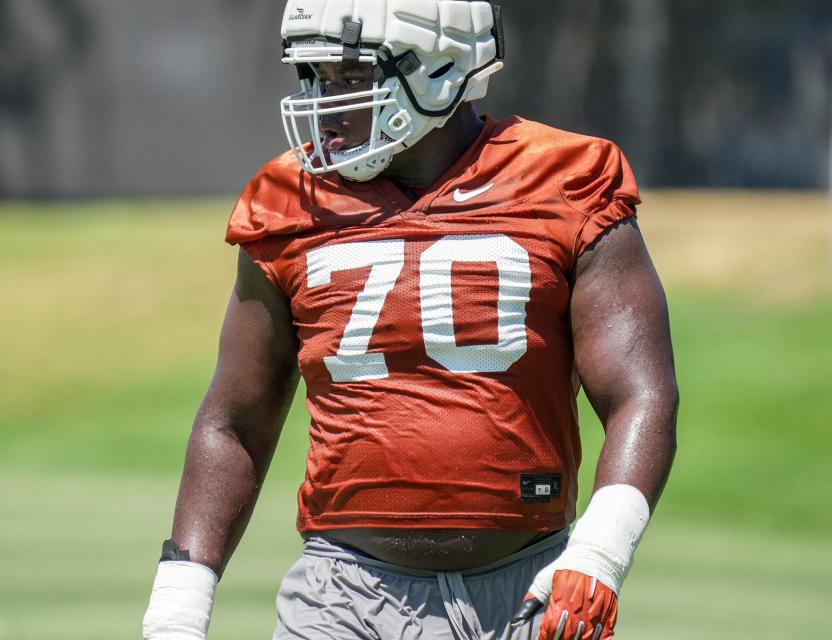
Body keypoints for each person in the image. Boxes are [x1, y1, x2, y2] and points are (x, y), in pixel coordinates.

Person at [143, 1, 678, 638]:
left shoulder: (565, 179)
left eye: (349, 78)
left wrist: (601, 551)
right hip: (342, 595)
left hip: (529, 587)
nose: (325, 104)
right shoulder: (288, 199)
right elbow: (236, 420)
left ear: (440, 68)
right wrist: (178, 601)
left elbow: (639, 393)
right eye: (313, 77)